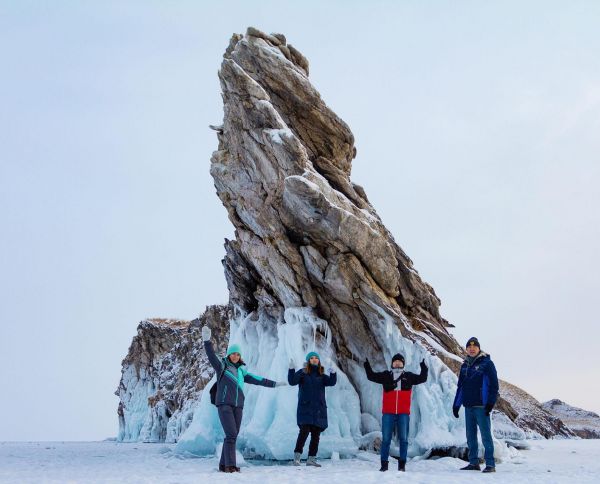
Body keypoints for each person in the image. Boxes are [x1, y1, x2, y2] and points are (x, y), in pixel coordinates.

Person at [201, 325, 287, 473]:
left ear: (240, 356)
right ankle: (230, 466)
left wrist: (275, 384)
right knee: (231, 434)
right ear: (229, 355)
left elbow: (259, 379)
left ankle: (223, 465)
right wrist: (207, 341)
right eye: (233, 354)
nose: (235, 356)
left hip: (238, 406)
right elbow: (211, 356)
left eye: (237, 354)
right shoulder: (222, 367)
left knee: (231, 436)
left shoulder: (242, 372)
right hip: (224, 405)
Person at [364, 353, 428, 472]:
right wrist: (367, 365)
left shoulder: (408, 376)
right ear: (392, 363)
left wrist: (424, 367)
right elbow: (371, 376)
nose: (397, 363)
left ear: (403, 364)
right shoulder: (386, 375)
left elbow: (422, 378)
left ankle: (402, 464)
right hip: (388, 412)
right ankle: (384, 464)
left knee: (403, 439)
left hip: (403, 413)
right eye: (395, 361)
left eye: (400, 362)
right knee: (386, 439)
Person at [452, 337, 499, 473]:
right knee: (470, 436)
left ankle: (490, 464)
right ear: (466, 349)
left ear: (479, 348)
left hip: (481, 406)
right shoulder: (465, 365)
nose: (472, 349)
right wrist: (456, 405)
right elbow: (460, 387)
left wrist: (490, 403)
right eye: (469, 347)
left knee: (485, 436)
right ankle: (473, 462)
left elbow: (494, 386)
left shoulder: (487, 363)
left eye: (474, 347)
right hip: (468, 406)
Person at [288, 351, 337, 467]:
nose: (314, 360)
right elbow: (292, 381)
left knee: (316, 436)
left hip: (318, 410)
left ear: (319, 361)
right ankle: (297, 458)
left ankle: (311, 459)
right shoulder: (303, 373)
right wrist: (291, 370)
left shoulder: (321, 375)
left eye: (316, 358)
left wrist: (333, 372)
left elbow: (332, 382)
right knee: (303, 433)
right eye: (312, 358)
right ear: (308, 360)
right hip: (305, 409)